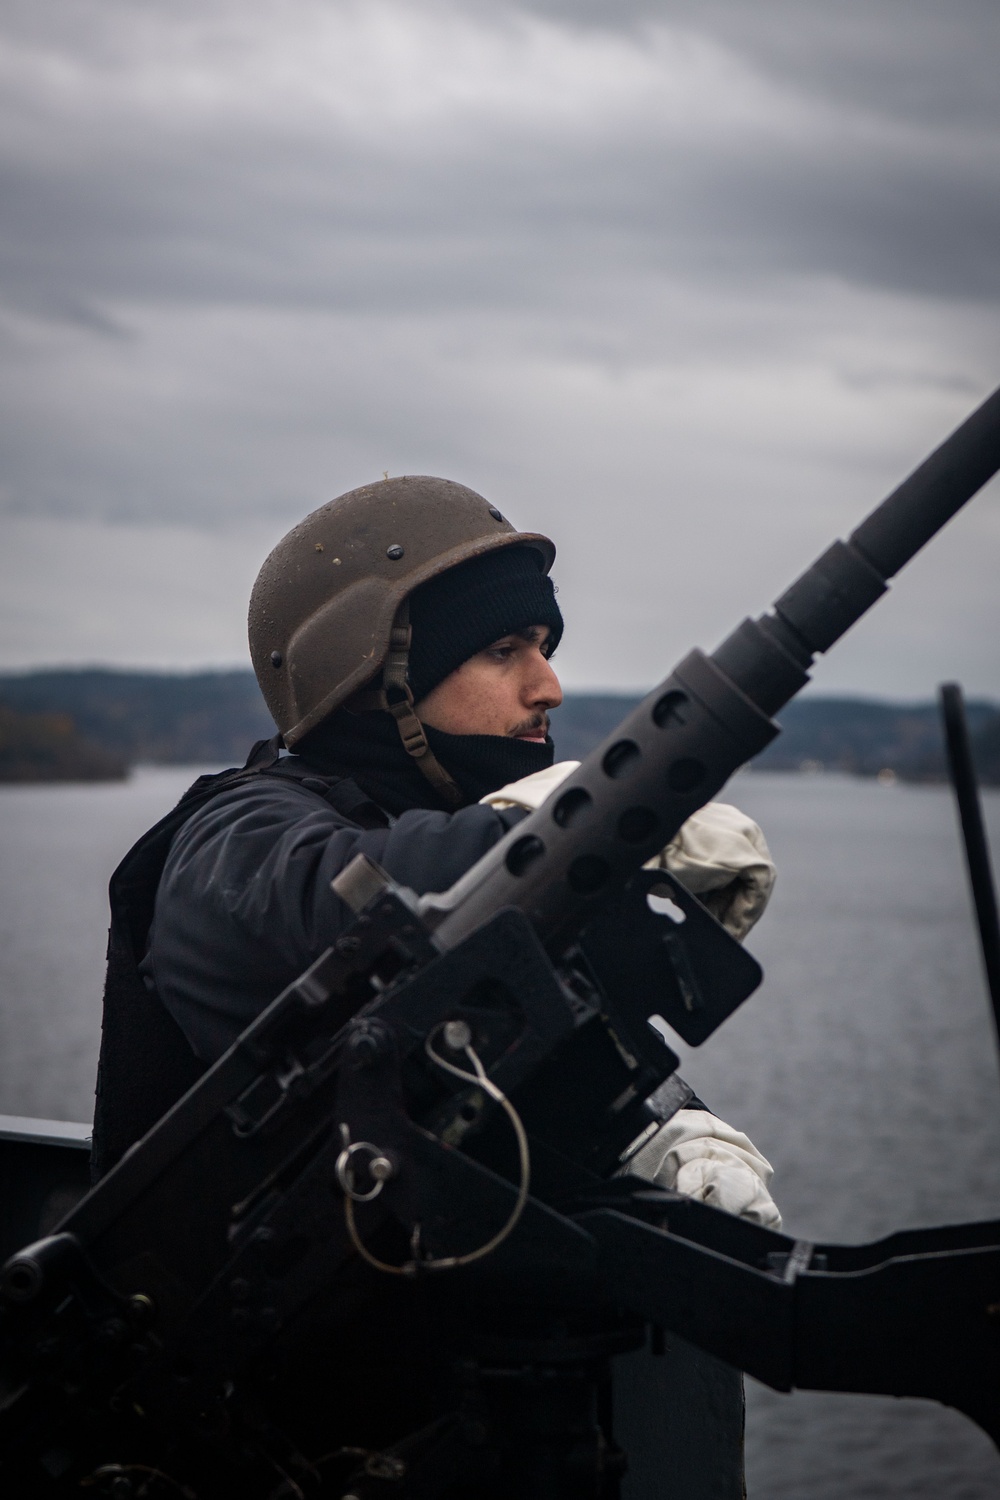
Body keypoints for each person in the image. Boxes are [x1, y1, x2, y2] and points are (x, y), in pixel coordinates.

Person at [90, 474, 777, 1490]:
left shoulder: (466, 860)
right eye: (504, 651)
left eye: (545, 648)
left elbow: (513, 1047)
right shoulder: (230, 839)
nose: (545, 687)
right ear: (377, 679)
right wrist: (580, 818)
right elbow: (348, 911)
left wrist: (659, 1125)